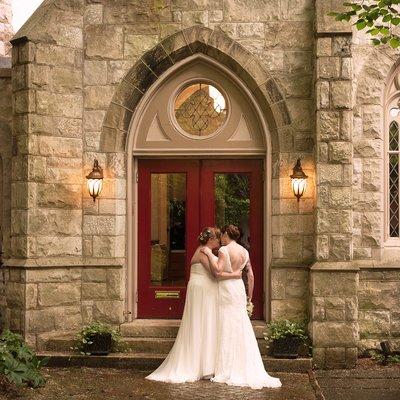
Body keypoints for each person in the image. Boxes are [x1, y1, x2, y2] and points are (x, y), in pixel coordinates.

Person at [146, 227, 242, 383]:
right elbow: (214, 273)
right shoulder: (204, 251)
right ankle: (202, 366)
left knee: (205, 323)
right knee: (202, 323)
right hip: (203, 289)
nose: (218, 241)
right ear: (210, 240)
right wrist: (233, 274)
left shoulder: (204, 250)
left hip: (204, 288)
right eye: (217, 238)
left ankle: (207, 365)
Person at [201, 224, 282, 390]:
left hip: (227, 288)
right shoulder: (245, 251)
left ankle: (226, 368)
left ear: (225, 235)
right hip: (238, 289)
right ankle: (243, 363)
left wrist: (209, 255)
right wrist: (249, 298)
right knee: (240, 325)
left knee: (226, 325)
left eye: (222, 235)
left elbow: (217, 273)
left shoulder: (224, 250)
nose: (221, 238)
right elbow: (250, 276)